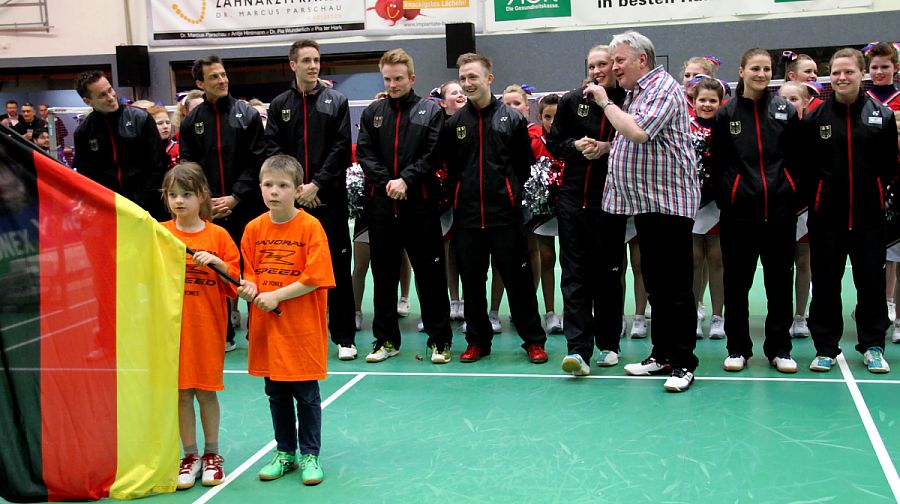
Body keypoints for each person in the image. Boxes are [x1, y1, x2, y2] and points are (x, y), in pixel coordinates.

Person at [583, 31, 699, 392]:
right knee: (656, 283)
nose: (613, 67)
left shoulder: (662, 87)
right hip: (646, 203)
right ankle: (662, 354)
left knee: (675, 285)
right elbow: (631, 138)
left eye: (619, 60)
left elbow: (638, 132)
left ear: (642, 61)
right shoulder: (638, 93)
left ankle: (683, 362)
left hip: (669, 203)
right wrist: (606, 148)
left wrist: (604, 102)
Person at [442, 52, 548, 364]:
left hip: (506, 216)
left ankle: (533, 340)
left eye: (472, 77)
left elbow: (523, 165)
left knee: (519, 281)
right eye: (463, 79)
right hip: (469, 218)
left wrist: (509, 195)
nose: (467, 84)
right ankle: (477, 340)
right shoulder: (455, 124)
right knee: (472, 283)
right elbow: (452, 168)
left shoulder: (512, 120)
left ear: (489, 79)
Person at [237, 154, 334, 485]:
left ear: (297, 189)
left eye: (282, 185)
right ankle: (286, 452)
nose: (274, 192)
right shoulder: (252, 229)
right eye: (268, 185)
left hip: (301, 328)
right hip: (267, 330)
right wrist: (249, 287)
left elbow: (315, 275)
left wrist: (277, 295)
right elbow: (248, 272)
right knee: (276, 393)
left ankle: (310, 454)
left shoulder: (311, 227)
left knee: (306, 394)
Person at [803, 48, 898, 373]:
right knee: (826, 283)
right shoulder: (816, 117)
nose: (842, 78)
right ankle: (826, 348)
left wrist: (870, 194)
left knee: (871, 283)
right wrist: (819, 198)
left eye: (849, 72)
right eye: (837, 73)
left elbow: (887, 166)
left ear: (862, 74)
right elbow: (807, 168)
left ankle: (872, 345)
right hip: (826, 219)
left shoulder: (881, 116)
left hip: (868, 219)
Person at [356, 48, 453, 363]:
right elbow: (365, 153)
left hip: (420, 207)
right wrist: (388, 182)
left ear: (412, 78)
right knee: (383, 275)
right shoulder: (373, 113)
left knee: (430, 275)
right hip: (383, 207)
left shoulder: (430, 111)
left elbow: (434, 152)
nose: (393, 84)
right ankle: (385, 340)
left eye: (399, 78)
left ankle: (439, 341)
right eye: (387, 79)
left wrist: (406, 180)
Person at [710, 49, 802, 374]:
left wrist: (788, 190)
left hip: (779, 213)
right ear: (742, 70)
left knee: (779, 283)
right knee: (737, 284)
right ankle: (738, 348)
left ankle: (780, 349)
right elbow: (717, 164)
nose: (761, 74)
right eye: (755, 68)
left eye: (765, 69)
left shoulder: (784, 110)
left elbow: (796, 158)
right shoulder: (726, 114)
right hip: (739, 215)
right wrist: (731, 196)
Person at [265, 39, 357, 360]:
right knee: (294, 270)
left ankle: (344, 336)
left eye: (316, 60)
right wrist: (297, 188)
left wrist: (316, 185)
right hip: (294, 204)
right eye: (306, 60)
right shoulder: (279, 105)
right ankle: (295, 334)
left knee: (336, 269)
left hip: (329, 200)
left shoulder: (337, 101)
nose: (313, 65)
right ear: (292, 65)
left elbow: (341, 148)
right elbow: (274, 151)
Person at [160, 163, 240, 490]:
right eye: (173, 195)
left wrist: (217, 262)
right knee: (181, 394)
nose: (179, 201)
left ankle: (212, 454)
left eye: (187, 194)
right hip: (171, 330)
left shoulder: (217, 235)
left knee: (205, 392)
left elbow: (236, 283)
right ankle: (189, 455)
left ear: (202, 196)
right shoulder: (161, 234)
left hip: (206, 327)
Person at [180, 55, 267, 351]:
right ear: (200, 84)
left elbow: (258, 159)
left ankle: (257, 330)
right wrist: (207, 200)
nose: (222, 80)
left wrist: (236, 196)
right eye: (214, 77)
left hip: (247, 205)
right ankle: (225, 333)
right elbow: (189, 166)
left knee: (252, 269)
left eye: (223, 74)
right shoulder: (192, 120)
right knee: (215, 270)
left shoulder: (247, 114)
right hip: (210, 209)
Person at [548, 44, 626, 376]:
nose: (596, 71)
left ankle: (609, 344)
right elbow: (555, 144)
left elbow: (639, 139)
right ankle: (577, 350)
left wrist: (608, 149)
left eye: (603, 65)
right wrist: (575, 146)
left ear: (615, 67)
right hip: (572, 201)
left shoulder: (627, 100)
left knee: (609, 274)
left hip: (611, 201)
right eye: (592, 65)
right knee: (574, 274)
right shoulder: (570, 101)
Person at [73, 70, 167, 218]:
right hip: (111, 210)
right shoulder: (83, 133)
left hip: (149, 207)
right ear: (88, 101)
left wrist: (139, 202)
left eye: (110, 90)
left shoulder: (141, 119)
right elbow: (88, 176)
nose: (111, 97)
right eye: (102, 95)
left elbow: (157, 165)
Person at [687, 77, 726, 340]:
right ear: (693, 101)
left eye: (713, 100)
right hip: (691, 202)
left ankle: (718, 317)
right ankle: (693, 314)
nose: (707, 104)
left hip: (719, 203)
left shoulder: (726, 127)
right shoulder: (685, 128)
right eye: (703, 100)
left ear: (721, 103)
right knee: (693, 261)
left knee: (717, 260)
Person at [778, 80, 814, 339]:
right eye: (785, 99)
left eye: (795, 99)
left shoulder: (813, 130)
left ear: (805, 102)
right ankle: (780, 316)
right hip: (779, 206)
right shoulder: (772, 130)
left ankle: (800, 316)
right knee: (780, 265)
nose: (789, 104)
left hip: (806, 206)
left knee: (804, 262)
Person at [435, 80, 467, 322]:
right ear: (444, 102)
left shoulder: (474, 121)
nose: (460, 94)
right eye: (454, 92)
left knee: (465, 251)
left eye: (462, 91)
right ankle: (451, 300)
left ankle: (466, 301)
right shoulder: (438, 127)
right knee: (445, 251)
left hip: (469, 198)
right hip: (443, 198)